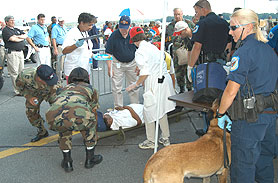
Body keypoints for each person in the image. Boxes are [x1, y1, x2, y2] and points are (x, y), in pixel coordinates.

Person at [216, 9, 278, 183]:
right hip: (270, 115)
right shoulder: (269, 50)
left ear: (248, 27)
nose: (230, 32)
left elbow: (231, 90)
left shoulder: (244, 52)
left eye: (233, 27)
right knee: (264, 163)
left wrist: (221, 113)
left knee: (243, 167)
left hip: (249, 119)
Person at [126, 27, 176, 149]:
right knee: (161, 110)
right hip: (165, 80)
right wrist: (140, 68)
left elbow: (145, 72)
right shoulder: (152, 47)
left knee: (148, 111)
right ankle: (165, 138)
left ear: (133, 40)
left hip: (154, 82)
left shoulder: (139, 52)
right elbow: (153, 63)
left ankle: (151, 140)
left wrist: (135, 84)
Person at [46, 67, 102, 172]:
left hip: (54, 117)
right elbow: (93, 110)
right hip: (79, 116)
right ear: (87, 77)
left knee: (64, 129)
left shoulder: (62, 88)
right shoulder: (91, 89)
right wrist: (94, 129)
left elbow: (55, 102)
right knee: (89, 125)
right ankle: (90, 159)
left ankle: (67, 162)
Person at [15, 64, 59, 142]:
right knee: (31, 112)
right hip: (33, 93)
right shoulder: (25, 75)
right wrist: (28, 97)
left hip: (50, 91)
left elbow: (60, 93)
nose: (49, 82)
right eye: (46, 81)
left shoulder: (53, 80)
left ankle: (63, 131)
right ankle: (42, 131)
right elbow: (19, 87)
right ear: (39, 78)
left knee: (58, 109)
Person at [105, 15, 139, 108]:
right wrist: (109, 68)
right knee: (116, 88)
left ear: (129, 26)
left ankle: (135, 107)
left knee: (134, 86)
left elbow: (140, 50)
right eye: (121, 28)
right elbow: (108, 53)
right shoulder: (113, 35)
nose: (124, 31)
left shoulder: (133, 34)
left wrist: (139, 64)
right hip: (117, 63)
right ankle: (118, 108)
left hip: (132, 62)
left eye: (126, 28)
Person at [166, 8, 195, 94]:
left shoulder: (189, 24)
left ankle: (190, 90)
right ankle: (181, 90)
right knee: (179, 74)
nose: (177, 16)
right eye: (175, 14)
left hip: (188, 52)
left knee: (189, 73)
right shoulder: (171, 26)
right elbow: (163, 36)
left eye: (179, 14)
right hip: (177, 54)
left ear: (182, 14)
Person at [62, 12, 95, 84]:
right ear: (82, 23)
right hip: (74, 71)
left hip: (85, 69)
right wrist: (76, 45)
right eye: (89, 25)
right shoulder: (72, 33)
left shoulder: (85, 32)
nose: (91, 27)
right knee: (74, 92)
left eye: (92, 25)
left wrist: (93, 55)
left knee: (85, 91)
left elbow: (87, 49)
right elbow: (64, 51)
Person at [2, 15, 27, 95]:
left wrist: (18, 37)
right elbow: (12, 39)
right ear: (6, 22)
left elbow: (25, 36)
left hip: (20, 52)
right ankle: (17, 90)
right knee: (14, 72)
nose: (13, 22)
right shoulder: (6, 30)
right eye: (11, 21)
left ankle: (22, 89)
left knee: (21, 72)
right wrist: (19, 38)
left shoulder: (16, 30)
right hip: (12, 53)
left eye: (13, 20)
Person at [172, 21, 193, 93]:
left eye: (180, 33)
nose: (180, 36)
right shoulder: (186, 38)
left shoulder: (196, 34)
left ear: (185, 29)